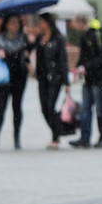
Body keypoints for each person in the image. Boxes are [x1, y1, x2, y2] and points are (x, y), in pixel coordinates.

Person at [68, 15, 102, 149]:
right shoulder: (84, 37)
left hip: (99, 79)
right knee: (86, 109)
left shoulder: (97, 35)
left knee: (100, 110)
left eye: (74, 24)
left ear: (80, 22)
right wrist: (78, 68)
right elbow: (83, 57)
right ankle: (85, 138)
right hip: (88, 79)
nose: (73, 27)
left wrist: (86, 67)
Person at [0, 13, 30, 150]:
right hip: (3, 78)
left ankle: (17, 138)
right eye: (12, 22)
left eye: (17, 23)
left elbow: (28, 57)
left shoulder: (23, 39)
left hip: (19, 77)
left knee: (17, 108)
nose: (15, 26)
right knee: (1, 108)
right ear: (6, 24)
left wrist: (27, 56)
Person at [33, 12, 69, 149]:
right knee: (44, 108)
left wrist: (66, 82)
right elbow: (30, 52)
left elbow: (63, 61)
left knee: (50, 106)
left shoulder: (58, 39)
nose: (38, 25)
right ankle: (58, 130)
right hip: (42, 78)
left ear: (47, 23)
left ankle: (56, 135)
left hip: (55, 78)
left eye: (40, 22)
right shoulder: (39, 39)